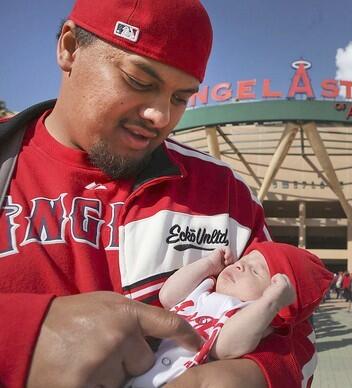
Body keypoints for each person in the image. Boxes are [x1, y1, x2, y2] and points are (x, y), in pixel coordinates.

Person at [0, 1, 317, 386]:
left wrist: (251, 376)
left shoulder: (225, 193)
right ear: (69, 48)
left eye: (180, 97)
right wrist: (21, 337)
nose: (161, 117)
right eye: (139, 81)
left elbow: (296, 329)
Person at [130, 242, 331, 386]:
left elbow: (224, 347)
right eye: (244, 259)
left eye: (255, 271)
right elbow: (168, 296)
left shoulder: (250, 316)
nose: (240, 265)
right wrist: (209, 264)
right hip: (134, 367)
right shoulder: (205, 289)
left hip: (173, 379)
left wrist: (269, 303)